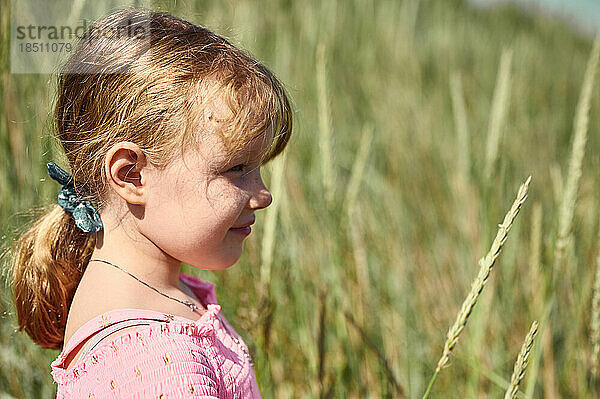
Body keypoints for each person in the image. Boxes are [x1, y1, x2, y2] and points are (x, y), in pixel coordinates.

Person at [8, 7, 292, 398]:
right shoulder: (154, 363)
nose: (263, 194)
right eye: (236, 168)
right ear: (131, 175)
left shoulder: (161, 297)